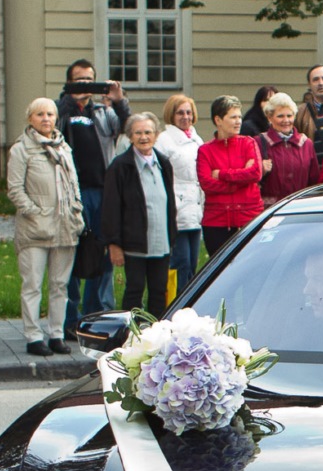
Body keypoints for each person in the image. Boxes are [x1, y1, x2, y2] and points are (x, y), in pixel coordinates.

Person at [7, 98, 83, 357]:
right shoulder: (21, 149)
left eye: (50, 114)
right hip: (34, 229)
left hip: (65, 226)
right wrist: (34, 212)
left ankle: (56, 334)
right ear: (30, 118)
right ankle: (33, 336)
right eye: (40, 114)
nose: (46, 119)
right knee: (32, 285)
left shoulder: (64, 147)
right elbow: (15, 189)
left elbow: (74, 183)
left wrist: (77, 208)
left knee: (60, 285)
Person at [55, 59, 126, 337]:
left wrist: (119, 101)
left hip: (102, 190)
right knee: (72, 254)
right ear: (69, 83)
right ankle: (69, 318)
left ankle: (96, 316)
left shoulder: (102, 111)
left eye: (89, 79)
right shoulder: (60, 109)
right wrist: (68, 102)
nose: (85, 85)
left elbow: (126, 127)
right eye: (79, 80)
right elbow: (54, 129)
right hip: (71, 192)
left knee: (100, 254)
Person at [103, 113, 178, 317]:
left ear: (156, 135)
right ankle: (130, 332)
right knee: (134, 290)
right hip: (134, 243)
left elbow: (169, 202)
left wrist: (172, 235)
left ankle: (157, 330)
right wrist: (114, 244)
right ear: (130, 136)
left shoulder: (163, 163)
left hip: (161, 242)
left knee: (159, 290)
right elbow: (111, 207)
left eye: (148, 132)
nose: (143, 137)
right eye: (138, 133)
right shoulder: (120, 166)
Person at [197, 95, 264, 255]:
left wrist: (222, 174)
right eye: (233, 117)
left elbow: (255, 173)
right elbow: (207, 184)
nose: (238, 121)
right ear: (218, 120)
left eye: (239, 117)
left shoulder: (249, 143)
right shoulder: (205, 150)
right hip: (217, 222)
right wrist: (240, 181)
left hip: (248, 218)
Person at [156, 94, 205, 283]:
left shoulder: (197, 139)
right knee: (180, 262)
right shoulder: (164, 140)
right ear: (171, 114)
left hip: (195, 208)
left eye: (188, 113)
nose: (185, 117)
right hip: (177, 209)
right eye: (180, 113)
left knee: (192, 263)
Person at [255, 92, 318, 201]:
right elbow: (248, 180)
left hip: (299, 206)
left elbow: (314, 180)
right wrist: (259, 169)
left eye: (289, 116)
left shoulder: (306, 144)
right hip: (270, 207)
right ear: (269, 117)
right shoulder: (258, 142)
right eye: (280, 116)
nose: (286, 120)